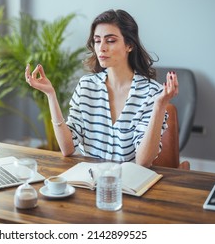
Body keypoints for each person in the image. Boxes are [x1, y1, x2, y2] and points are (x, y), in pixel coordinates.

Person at [25, 9, 178, 167]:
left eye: (110, 41)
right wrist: (51, 95)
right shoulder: (86, 86)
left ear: (129, 45)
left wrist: (159, 106)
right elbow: (67, 148)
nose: (101, 48)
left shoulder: (151, 92)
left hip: (128, 185)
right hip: (90, 181)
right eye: (97, 41)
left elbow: (143, 161)